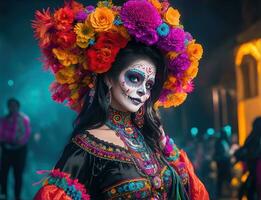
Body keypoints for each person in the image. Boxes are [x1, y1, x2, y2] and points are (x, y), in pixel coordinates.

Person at [32, 0, 209, 199]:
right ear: (108, 78)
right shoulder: (86, 145)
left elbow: (192, 192)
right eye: (134, 78)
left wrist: (166, 146)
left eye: (149, 85)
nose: (143, 91)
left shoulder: (150, 139)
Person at [0, 98, 31, 200]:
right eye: (10, 105)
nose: (12, 107)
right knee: (4, 173)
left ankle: (17, 196)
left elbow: (26, 135)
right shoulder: (4, 120)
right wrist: (6, 142)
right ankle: (3, 194)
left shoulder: (24, 119)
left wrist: (16, 142)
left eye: (14, 105)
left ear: (18, 107)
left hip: (20, 150)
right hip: (6, 149)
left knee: (18, 174)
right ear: (8, 107)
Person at [234, 117, 261, 200]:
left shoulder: (252, 136)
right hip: (255, 169)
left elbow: (245, 150)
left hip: (255, 169)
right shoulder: (254, 137)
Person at [213, 129, 232, 198]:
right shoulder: (218, 143)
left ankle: (228, 193)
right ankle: (220, 194)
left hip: (226, 163)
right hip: (221, 164)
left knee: (227, 179)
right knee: (220, 180)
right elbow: (218, 154)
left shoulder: (226, 142)